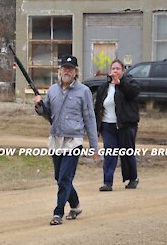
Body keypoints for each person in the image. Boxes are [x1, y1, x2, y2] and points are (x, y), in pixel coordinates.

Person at [34, 54, 99, 226]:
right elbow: (48, 115)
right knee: (59, 177)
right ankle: (76, 205)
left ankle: (58, 213)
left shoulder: (84, 91)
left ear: (76, 72)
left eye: (70, 69)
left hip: (74, 141)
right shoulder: (52, 90)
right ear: (59, 70)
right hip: (56, 139)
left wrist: (94, 146)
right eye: (64, 68)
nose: (67, 71)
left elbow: (90, 118)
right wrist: (39, 107)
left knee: (64, 179)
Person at [94, 59, 140, 192]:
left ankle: (133, 178)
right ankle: (107, 182)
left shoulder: (129, 83)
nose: (115, 71)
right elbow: (98, 107)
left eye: (118, 69)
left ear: (123, 71)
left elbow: (133, 93)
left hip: (125, 125)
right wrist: (97, 126)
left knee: (127, 153)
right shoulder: (104, 87)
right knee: (109, 154)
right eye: (113, 69)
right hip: (108, 126)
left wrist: (120, 84)